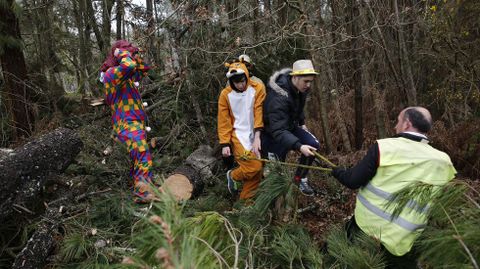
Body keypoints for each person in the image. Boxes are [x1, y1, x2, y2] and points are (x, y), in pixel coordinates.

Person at [331, 107, 456, 261]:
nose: (395, 126)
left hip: (367, 228)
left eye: (397, 121)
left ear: (407, 124)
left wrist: (337, 172)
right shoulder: (444, 161)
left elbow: (353, 181)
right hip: (407, 239)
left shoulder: (385, 147)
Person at [100, 40, 156, 203]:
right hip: (126, 124)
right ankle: (142, 192)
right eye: (129, 54)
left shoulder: (126, 77)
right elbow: (129, 67)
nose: (131, 57)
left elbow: (142, 69)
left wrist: (136, 54)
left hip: (134, 124)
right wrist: (122, 52)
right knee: (142, 153)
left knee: (139, 157)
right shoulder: (111, 74)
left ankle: (143, 188)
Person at [262, 59, 320, 196]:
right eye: (306, 81)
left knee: (313, 145)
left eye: (311, 81)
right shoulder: (278, 97)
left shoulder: (301, 89)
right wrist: (299, 146)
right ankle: (271, 197)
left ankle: (299, 179)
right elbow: (278, 130)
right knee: (277, 171)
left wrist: (302, 122)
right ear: (295, 77)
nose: (309, 85)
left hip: (289, 126)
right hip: (273, 135)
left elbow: (298, 108)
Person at [217, 61, 266, 200]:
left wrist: (257, 136)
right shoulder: (225, 95)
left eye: (243, 81)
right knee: (254, 167)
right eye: (237, 83)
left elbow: (259, 112)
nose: (241, 85)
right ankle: (233, 175)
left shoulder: (258, 88)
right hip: (238, 136)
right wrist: (225, 143)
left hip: (255, 133)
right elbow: (223, 120)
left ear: (247, 76)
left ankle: (245, 205)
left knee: (256, 174)